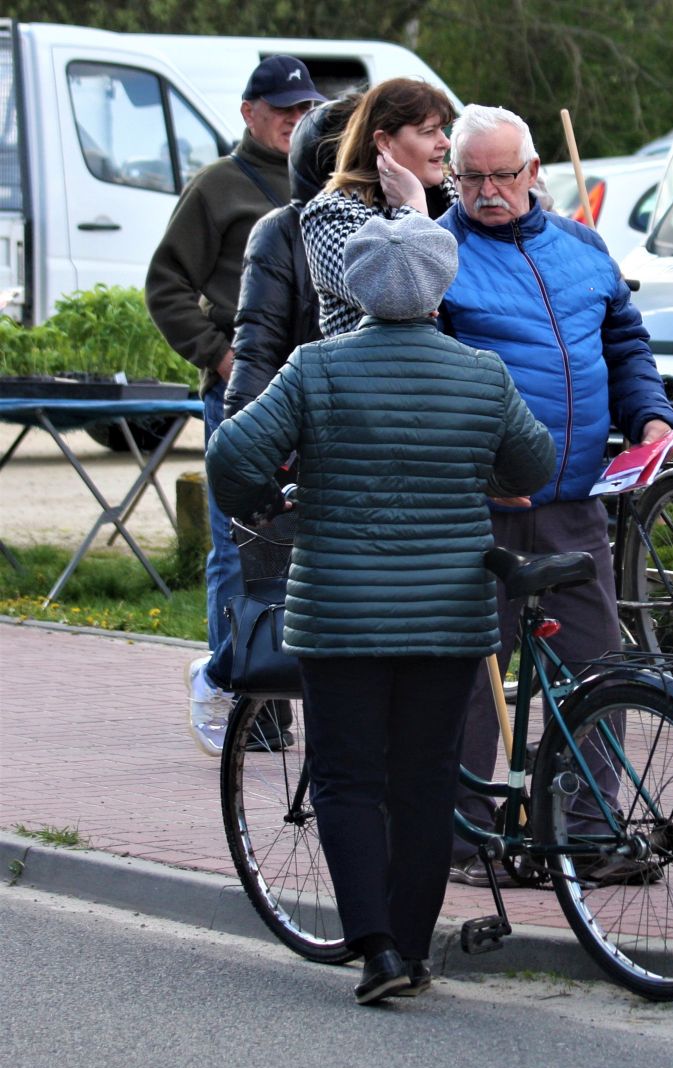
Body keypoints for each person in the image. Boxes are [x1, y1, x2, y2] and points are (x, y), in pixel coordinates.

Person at [205, 212, 555, 1005]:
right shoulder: (481, 373)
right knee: (425, 782)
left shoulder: (313, 369)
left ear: (350, 284)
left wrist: (263, 495)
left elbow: (232, 455)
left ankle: (376, 953)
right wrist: (483, 469)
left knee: (347, 778)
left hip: (339, 616)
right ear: (443, 284)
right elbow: (536, 459)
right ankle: (416, 947)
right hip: (449, 617)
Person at [434, 104, 673, 887]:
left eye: (503, 175)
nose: (488, 191)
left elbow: (624, 342)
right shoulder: (439, 251)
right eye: (471, 176)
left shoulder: (583, 247)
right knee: (476, 679)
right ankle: (469, 842)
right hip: (484, 507)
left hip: (576, 501)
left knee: (596, 669)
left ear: (534, 173)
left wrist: (649, 416)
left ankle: (590, 830)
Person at [144, 55, 326, 756]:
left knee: (302, 544)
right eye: (281, 109)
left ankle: (279, 685)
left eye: (303, 107)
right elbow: (165, 286)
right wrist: (219, 356)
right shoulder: (216, 188)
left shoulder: (326, 181)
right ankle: (238, 684)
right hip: (245, 392)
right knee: (239, 544)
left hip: (310, 389)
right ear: (249, 113)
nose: (293, 119)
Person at [226, 92, 362, 417]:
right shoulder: (283, 231)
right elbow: (258, 351)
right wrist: (240, 442)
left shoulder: (413, 221)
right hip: (315, 428)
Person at [301, 77, 457, 339]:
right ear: (384, 141)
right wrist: (414, 208)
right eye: (429, 132)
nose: (445, 142)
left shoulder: (456, 197)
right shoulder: (330, 214)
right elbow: (397, 298)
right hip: (376, 375)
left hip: (459, 373)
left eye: (443, 130)